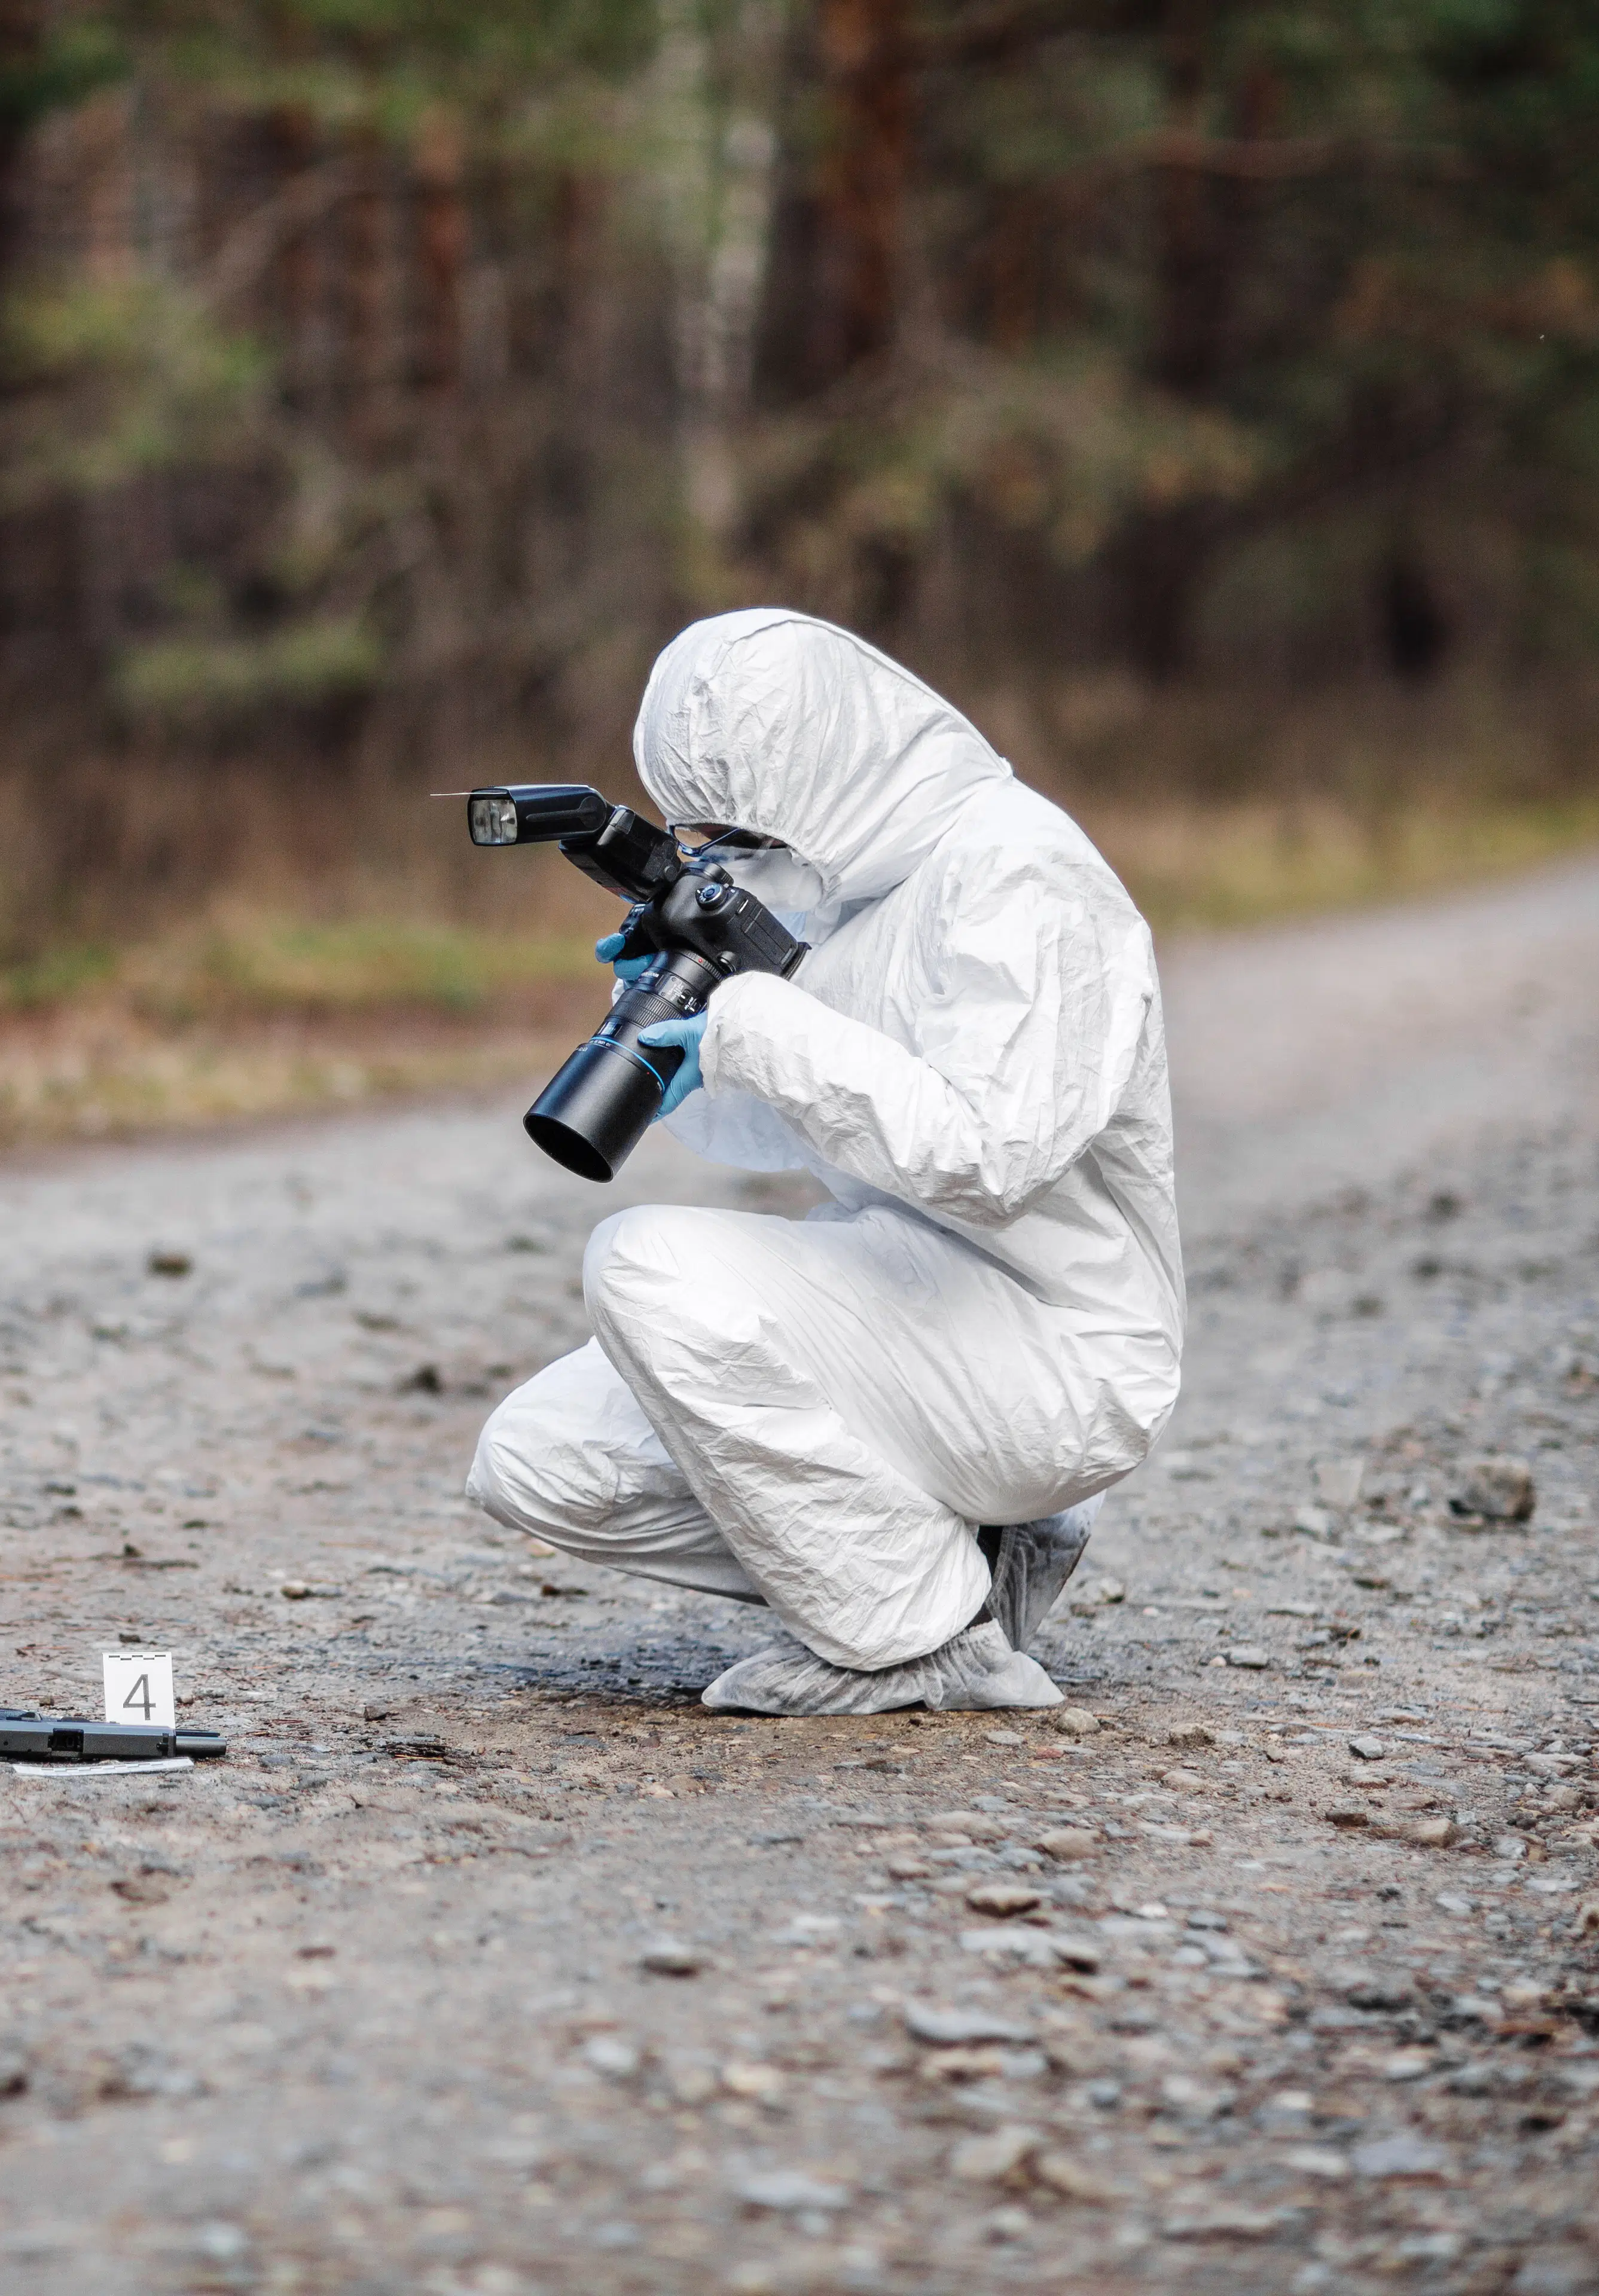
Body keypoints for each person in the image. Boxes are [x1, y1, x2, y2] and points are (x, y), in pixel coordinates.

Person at [464, 609, 1180, 1714]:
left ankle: (923, 1640)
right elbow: (794, 1129)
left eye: (738, 830)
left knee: (645, 1263)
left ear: (820, 763)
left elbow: (991, 1156)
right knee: (541, 1461)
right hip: (914, 1302)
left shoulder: (1028, 879)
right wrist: (674, 1027)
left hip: (1059, 1347)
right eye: (704, 836)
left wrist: (760, 1026)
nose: (729, 859)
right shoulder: (849, 891)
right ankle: (981, 1554)